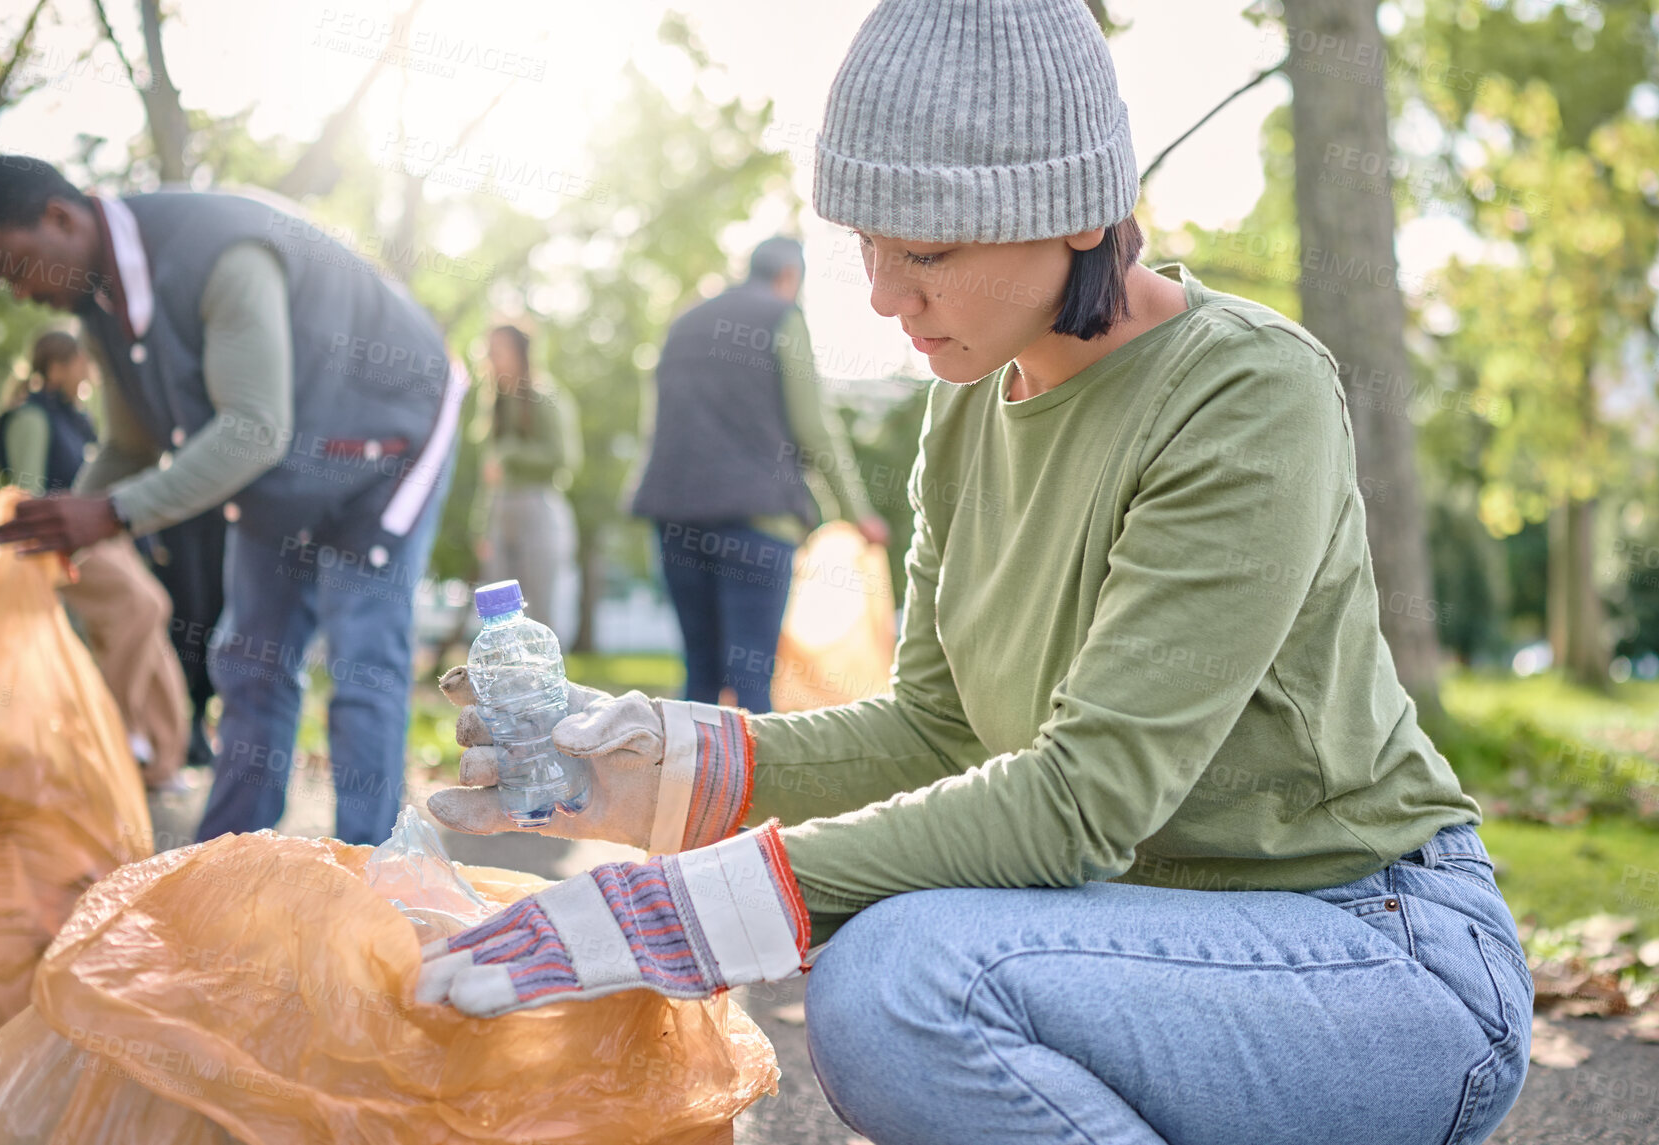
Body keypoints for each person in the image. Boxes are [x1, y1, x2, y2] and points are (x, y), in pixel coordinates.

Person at [420, 4, 1534, 1144]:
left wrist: (696, 906)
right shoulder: (962, 407)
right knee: (891, 948)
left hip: (1376, 950)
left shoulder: (1244, 395)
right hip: (1139, 940)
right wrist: (652, 769)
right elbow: (936, 733)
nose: (881, 296)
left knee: (901, 983)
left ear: (1073, 215)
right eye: (866, 243)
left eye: (930, 252)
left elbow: (1082, 798)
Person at [0, 157, 465, 846]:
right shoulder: (100, 308)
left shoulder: (219, 251)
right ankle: (226, 860)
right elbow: (132, 443)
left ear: (60, 219)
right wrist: (65, 523)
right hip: (284, 466)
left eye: (14, 266)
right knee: (249, 661)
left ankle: (371, 873)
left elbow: (253, 429)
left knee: (361, 656)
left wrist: (107, 515)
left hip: (387, 443)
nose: (16, 293)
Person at [629, 235, 891, 713]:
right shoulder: (781, 316)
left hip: (674, 513)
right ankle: (751, 789)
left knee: (700, 677)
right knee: (750, 681)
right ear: (789, 276)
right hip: (756, 521)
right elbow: (813, 427)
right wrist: (857, 514)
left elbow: (656, 422)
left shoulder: (685, 322)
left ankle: (691, 786)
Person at [0, 329, 190, 788]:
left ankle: (158, 756)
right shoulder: (32, 419)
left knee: (153, 614)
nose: (89, 372)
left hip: (94, 538)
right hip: (56, 543)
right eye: (81, 363)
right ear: (56, 369)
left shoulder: (79, 421)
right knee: (143, 607)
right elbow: (26, 494)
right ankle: (112, 731)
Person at [475, 324, 581, 643]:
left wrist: (509, 453)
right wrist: (480, 529)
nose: (493, 358)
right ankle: (508, 688)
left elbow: (563, 458)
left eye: (500, 350)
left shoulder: (545, 398)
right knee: (499, 614)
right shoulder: (496, 403)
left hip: (538, 508)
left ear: (521, 354)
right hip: (500, 511)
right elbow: (490, 481)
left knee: (539, 609)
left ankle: (545, 687)